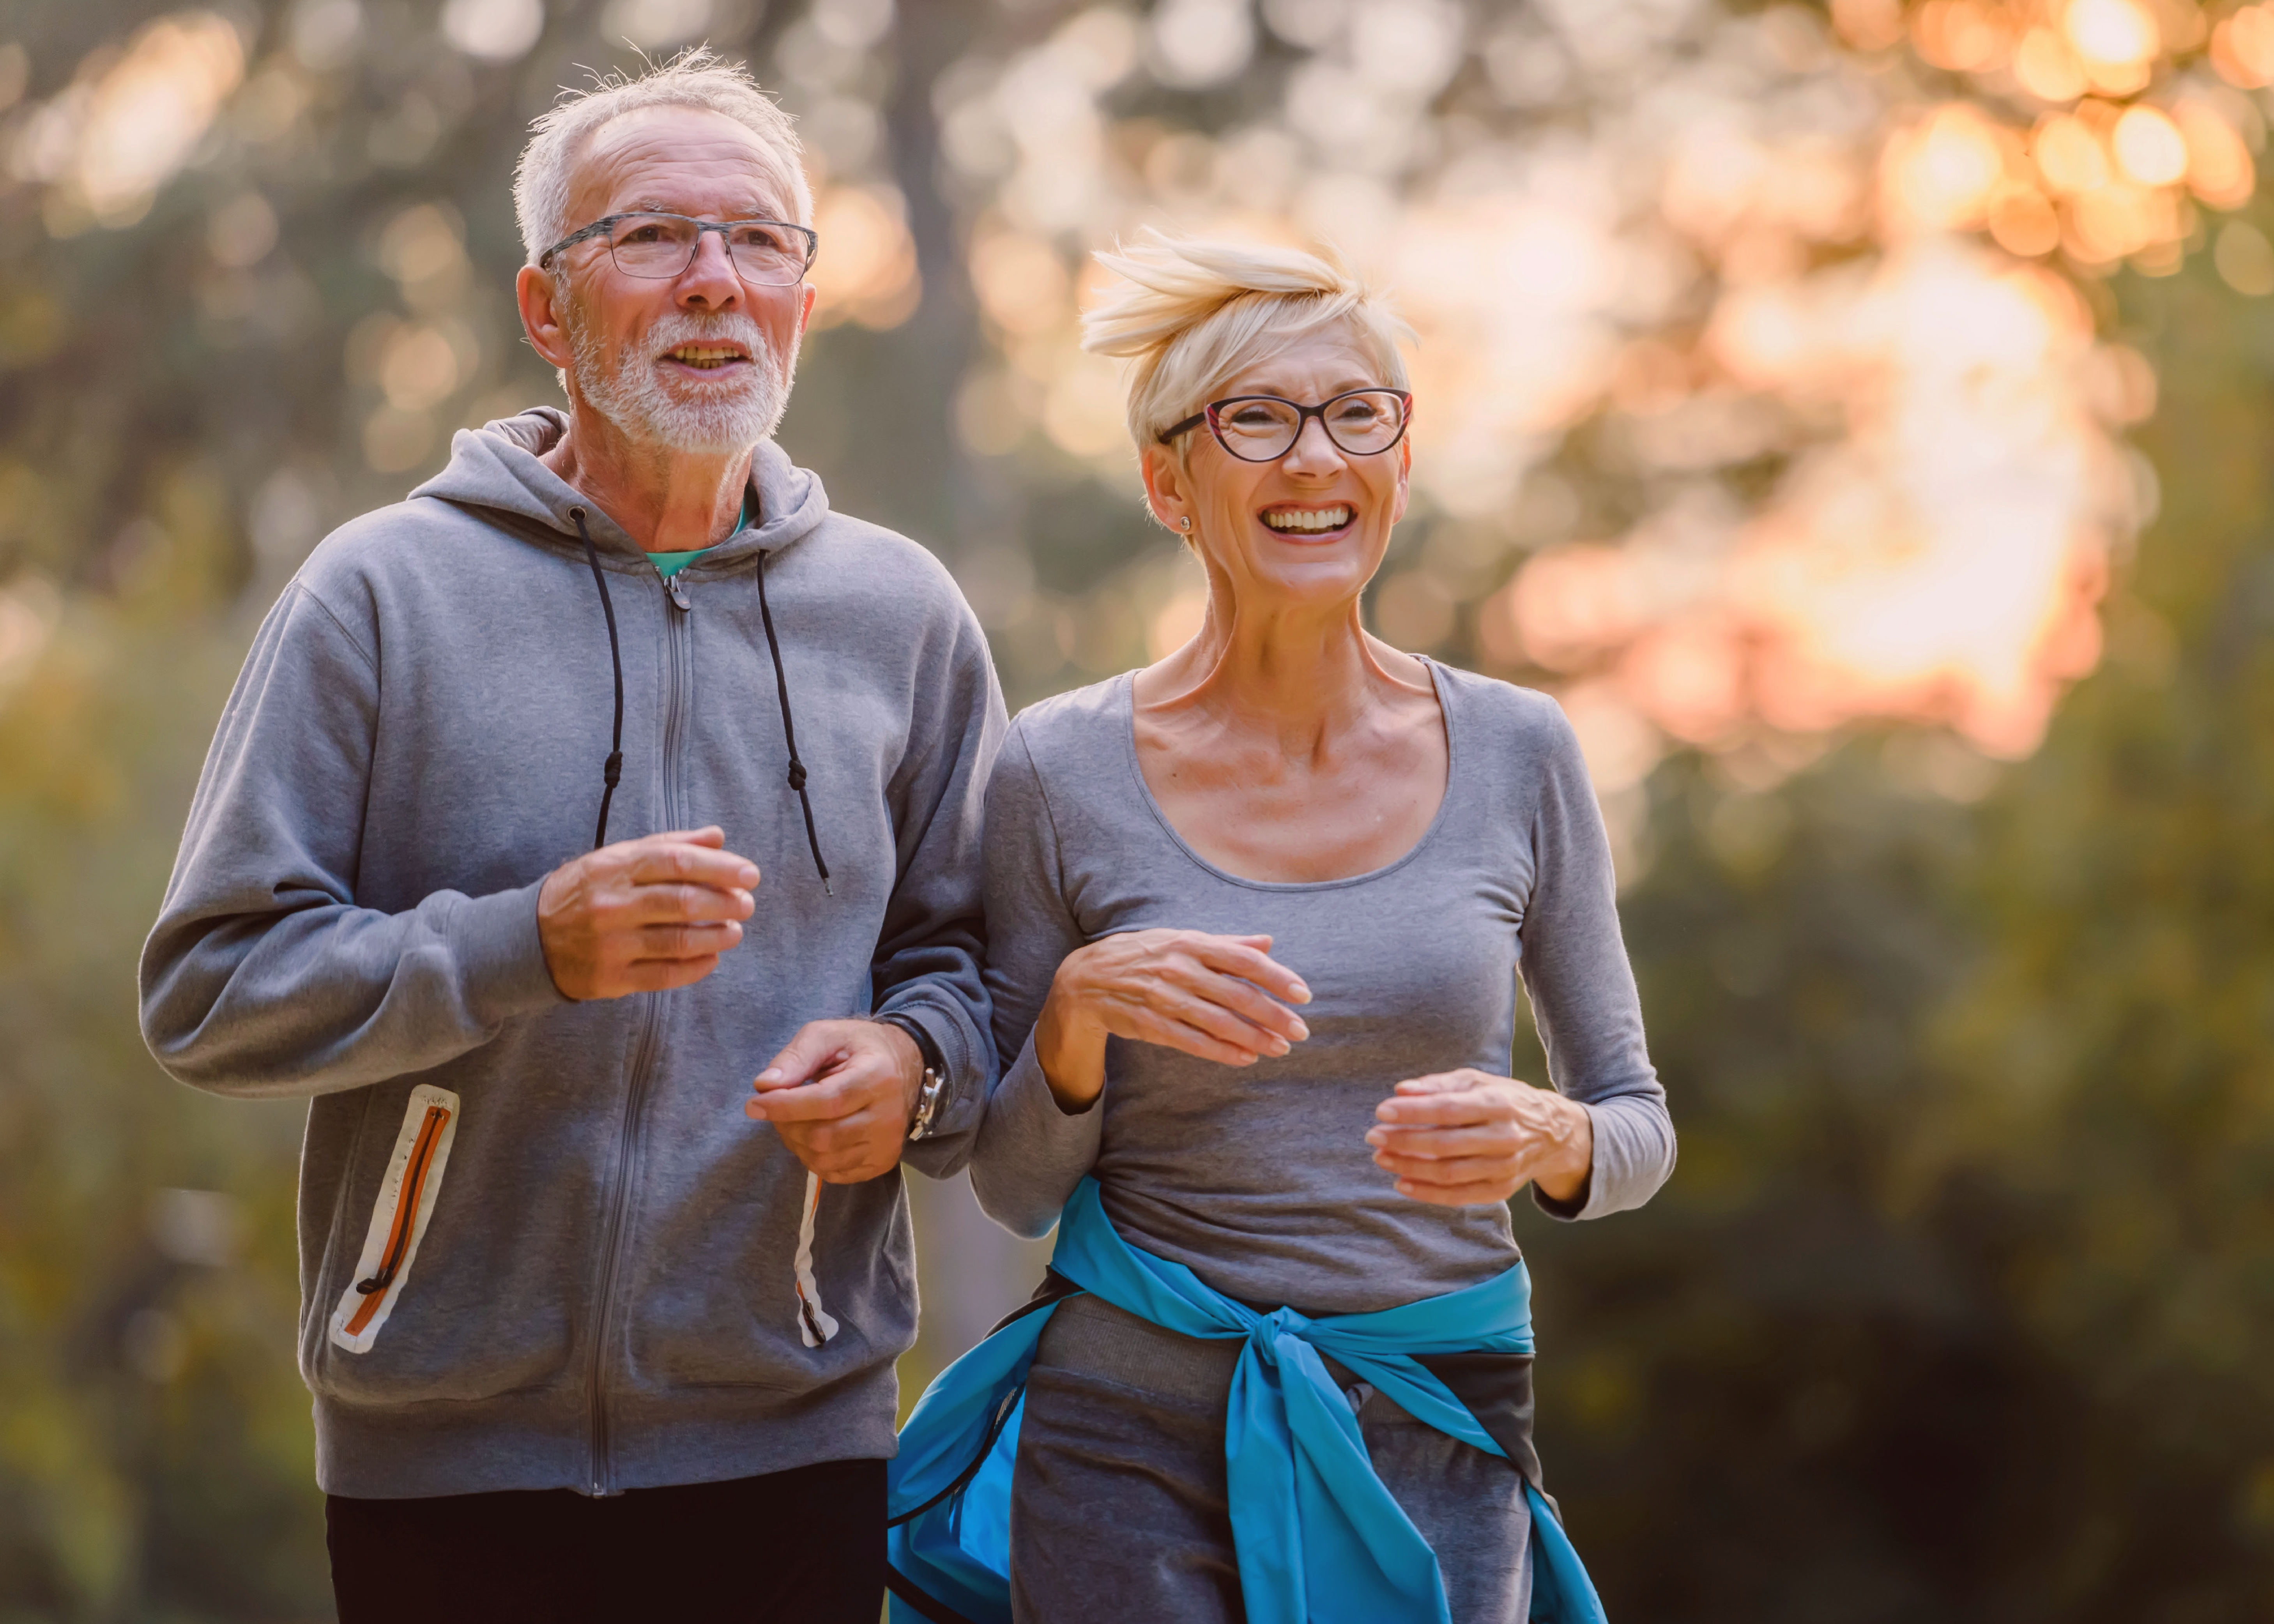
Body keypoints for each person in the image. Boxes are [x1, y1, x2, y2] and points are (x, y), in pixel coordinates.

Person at [138, 51, 1003, 1624]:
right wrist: (518, 946)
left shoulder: (903, 617)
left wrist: (916, 1071)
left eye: (760, 243)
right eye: (654, 238)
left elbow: (981, 965)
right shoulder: (381, 595)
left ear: (807, 295)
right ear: (547, 310)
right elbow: (209, 991)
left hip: (797, 1431)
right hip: (442, 1454)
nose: (714, 284)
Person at [884, 234, 1675, 1624]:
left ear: (1399, 462)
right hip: (1125, 1428)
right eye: (1256, 419)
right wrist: (1075, 1014)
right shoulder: (1056, 770)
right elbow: (1007, 1185)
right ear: (1168, 482)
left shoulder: (1520, 750)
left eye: (1356, 412)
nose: (1315, 457)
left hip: (1437, 1414)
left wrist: (1556, 1140)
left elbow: (1638, 1125)